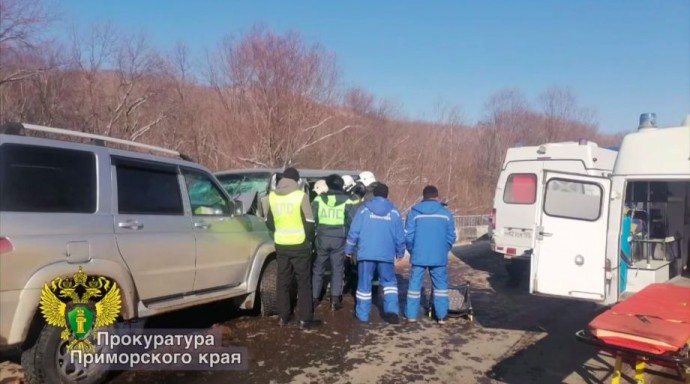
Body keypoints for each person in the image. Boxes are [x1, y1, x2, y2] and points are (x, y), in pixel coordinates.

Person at [266, 167, 321, 329]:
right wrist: (309, 241)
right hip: (300, 245)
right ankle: (305, 319)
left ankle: (283, 317)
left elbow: (269, 222)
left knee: (283, 282)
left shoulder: (273, 197)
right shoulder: (301, 197)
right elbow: (310, 224)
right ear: (296, 181)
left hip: (281, 245)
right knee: (303, 283)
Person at [345, 183, 405, 324]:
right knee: (389, 283)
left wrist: (348, 249)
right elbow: (400, 236)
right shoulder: (394, 212)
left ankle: (363, 315)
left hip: (366, 253)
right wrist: (400, 251)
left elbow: (354, 231)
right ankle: (392, 311)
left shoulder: (364, 210)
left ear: (374, 194)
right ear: (386, 194)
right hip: (386, 254)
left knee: (364, 284)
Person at [404, 185, 456, 324]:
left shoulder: (414, 212)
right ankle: (442, 316)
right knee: (440, 286)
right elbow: (451, 236)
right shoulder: (446, 213)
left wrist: (412, 250)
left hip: (418, 255)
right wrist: (444, 249)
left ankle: (411, 316)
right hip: (439, 256)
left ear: (423, 196)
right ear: (437, 197)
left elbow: (408, 236)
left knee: (414, 286)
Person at [311, 174, 356, 311]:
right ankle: (335, 300)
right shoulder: (348, 201)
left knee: (318, 267)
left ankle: (314, 298)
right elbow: (352, 220)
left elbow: (312, 218)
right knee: (337, 268)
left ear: (328, 185)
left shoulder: (319, 199)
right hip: (339, 239)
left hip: (322, 237)